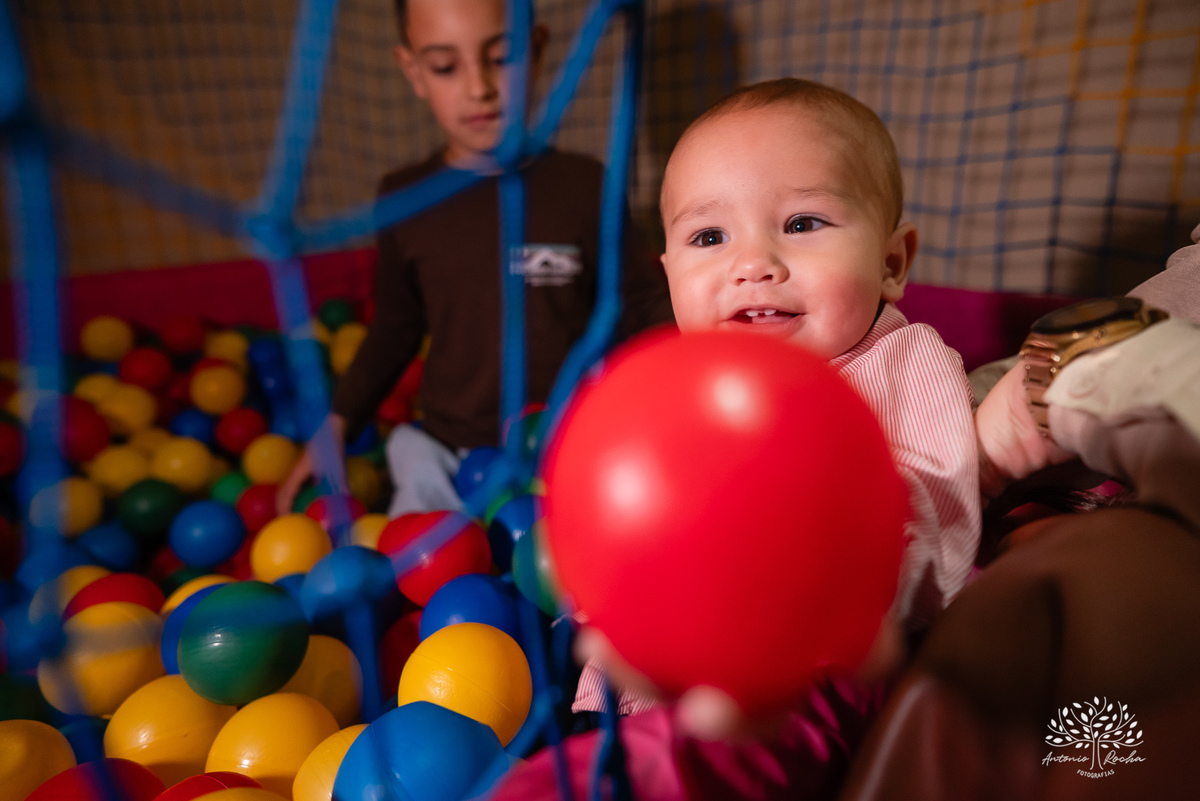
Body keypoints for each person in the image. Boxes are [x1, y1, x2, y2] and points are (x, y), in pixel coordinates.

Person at [572, 77, 982, 718]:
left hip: (811, 692)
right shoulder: (671, 387)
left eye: (802, 223)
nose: (754, 263)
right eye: (709, 238)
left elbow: (944, 516)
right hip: (641, 695)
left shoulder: (908, 362)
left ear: (891, 262)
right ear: (669, 275)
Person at [276, 0, 674, 517]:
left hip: (564, 442)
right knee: (418, 513)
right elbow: (394, 327)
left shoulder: (585, 186)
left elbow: (637, 307)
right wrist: (337, 423)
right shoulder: (404, 197)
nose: (479, 88)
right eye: (445, 66)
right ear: (413, 72)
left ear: (536, 51)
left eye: (502, 56)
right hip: (449, 446)